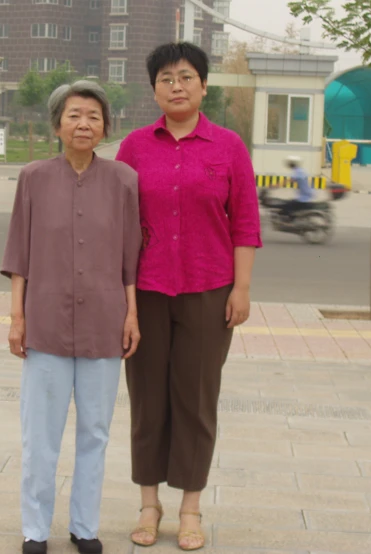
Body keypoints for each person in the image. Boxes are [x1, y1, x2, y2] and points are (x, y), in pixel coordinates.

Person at [115, 42, 262, 551]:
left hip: (209, 289)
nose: (176, 86)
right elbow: (122, 225)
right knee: (147, 400)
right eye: (165, 79)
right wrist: (123, 300)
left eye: (185, 77)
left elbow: (245, 221)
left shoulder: (228, 147)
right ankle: (149, 504)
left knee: (197, 401)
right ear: (153, 89)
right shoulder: (134, 147)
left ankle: (191, 507)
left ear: (203, 85)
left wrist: (241, 289)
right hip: (147, 293)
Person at [1, 80, 142, 554]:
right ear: (58, 123)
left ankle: (85, 527)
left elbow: (130, 260)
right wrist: (17, 318)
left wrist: (132, 316)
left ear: (106, 126)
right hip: (46, 323)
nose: (84, 123)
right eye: (75, 115)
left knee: (95, 433)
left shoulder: (124, 180)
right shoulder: (34, 179)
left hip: (105, 321)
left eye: (94, 116)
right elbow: (19, 253)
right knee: (40, 434)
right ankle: (35, 529)